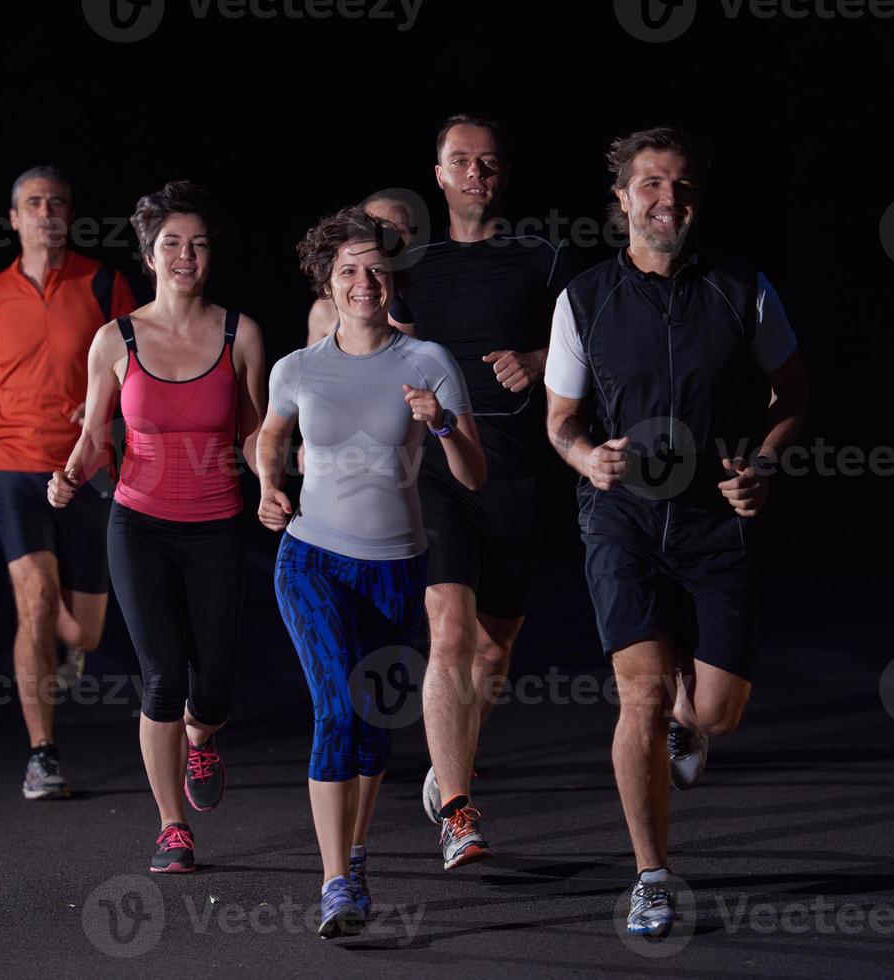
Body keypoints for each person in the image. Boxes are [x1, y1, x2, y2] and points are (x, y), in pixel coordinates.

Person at [543, 127, 808, 937]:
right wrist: (588, 459)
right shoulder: (582, 298)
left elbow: (792, 395)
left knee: (716, 714)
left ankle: (691, 727)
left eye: (682, 186)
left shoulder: (742, 289)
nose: (668, 200)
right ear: (620, 199)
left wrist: (762, 466)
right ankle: (651, 876)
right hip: (619, 520)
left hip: (709, 520)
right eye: (650, 185)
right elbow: (560, 421)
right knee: (642, 695)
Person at [258, 207, 483, 937]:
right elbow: (270, 435)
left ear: (393, 279)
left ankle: (355, 855)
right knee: (334, 708)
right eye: (349, 270)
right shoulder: (297, 368)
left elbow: (474, 474)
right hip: (312, 558)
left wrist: (442, 423)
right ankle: (334, 885)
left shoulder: (428, 362)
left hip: (395, 567)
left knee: (375, 727)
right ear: (327, 279)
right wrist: (268, 485)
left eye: (376, 270)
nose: (364, 283)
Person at [48, 180, 266, 872]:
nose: (185, 255)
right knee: (162, 677)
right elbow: (93, 439)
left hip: (219, 526)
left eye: (198, 244)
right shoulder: (115, 339)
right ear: (148, 254)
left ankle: (203, 737)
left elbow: (259, 433)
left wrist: (278, 484)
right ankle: (172, 827)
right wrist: (70, 474)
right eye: (171, 243)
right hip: (138, 523)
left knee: (214, 689)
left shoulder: (241, 333)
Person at [390, 113, 576, 867]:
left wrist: (536, 360)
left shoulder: (542, 256)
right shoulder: (412, 267)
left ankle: (448, 763)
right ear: (436, 174)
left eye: (488, 162)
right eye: (460, 161)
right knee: (450, 631)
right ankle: (459, 813)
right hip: (437, 471)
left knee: (494, 655)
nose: (475, 173)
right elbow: (378, 352)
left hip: (516, 469)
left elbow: (585, 346)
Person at [0, 165, 136, 800]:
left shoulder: (103, 284)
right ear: (14, 218)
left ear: (70, 214)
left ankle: (63, 651)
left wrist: (104, 412)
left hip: (85, 465)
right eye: (33, 203)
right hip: (11, 463)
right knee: (34, 603)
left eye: (57, 203)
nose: (46, 212)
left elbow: (137, 366)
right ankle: (43, 754)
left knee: (84, 632)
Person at [304, 193, 417, 346]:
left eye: (398, 232)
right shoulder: (325, 309)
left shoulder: (424, 295)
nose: (386, 241)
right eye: (376, 227)